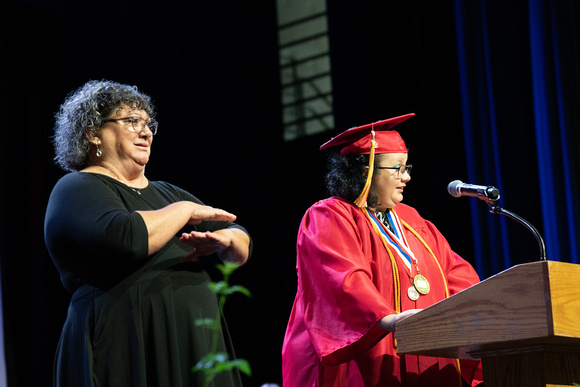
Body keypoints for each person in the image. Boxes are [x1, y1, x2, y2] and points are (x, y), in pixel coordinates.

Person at [44, 80, 252, 387]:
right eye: (131, 121)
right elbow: (128, 238)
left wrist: (228, 242)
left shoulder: (168, 194)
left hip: (193, 344)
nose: (146, 132)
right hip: (126, 344)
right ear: (93, 133)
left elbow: (237, 234)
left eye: (148, 123)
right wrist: (184, 211)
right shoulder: (76, 188)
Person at [282, 113, 483, 386]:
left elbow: (455, 272)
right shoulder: (330, 215)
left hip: (426, 356)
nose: (406, 177)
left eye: (407, 167)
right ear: (366, 172)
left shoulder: (412, 221)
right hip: (368, 355)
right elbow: (341, 277)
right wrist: (387, 319)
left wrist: (481, 308)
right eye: (397, 168)